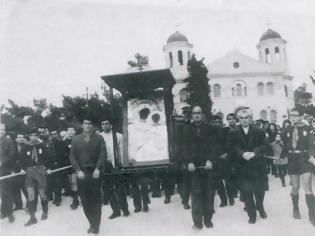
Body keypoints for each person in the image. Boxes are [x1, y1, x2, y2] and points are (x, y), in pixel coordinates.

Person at [70, 118, 107, 234]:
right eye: (85, 123)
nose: (88, 125)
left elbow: (103, 154)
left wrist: (98, 168)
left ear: (92, 126)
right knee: (85, 201)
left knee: (96, 200)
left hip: (95, 173)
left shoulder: (99, 138)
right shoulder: (76, 140)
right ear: (82, 125)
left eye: (90, 123)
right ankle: (92, 223)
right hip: (82, 174)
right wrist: (77, 170)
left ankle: (96, 226)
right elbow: (72, 157)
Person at [231, 107, 268, 224]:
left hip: (258, 166)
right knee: (246, 191)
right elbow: (231, 147)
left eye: (246, 117)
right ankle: (252, 214)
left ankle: (260, 207)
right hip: (242, 167)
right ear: (238, 119)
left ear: (250, 118)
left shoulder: (259, 131)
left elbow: (265, 145)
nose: (244, 120)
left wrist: (254, 153)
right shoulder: (234, 132)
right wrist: (242, 154)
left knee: (259, 190)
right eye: (241, 118)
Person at [182, 106, 216, 230]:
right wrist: (189, 162)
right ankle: (197, 222)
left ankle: (208, 219)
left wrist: (210, 160)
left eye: (199, 113)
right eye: (194, 113)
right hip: (193, 168)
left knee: (209, 193)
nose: (197, 115)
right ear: (191, 115)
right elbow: (183, 147)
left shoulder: (210, 129)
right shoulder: (186, 129)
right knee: (196, 194)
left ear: (202, 114)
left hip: (208, 166)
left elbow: (214, 146)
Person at [281, 108, 315, 227]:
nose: (292, 118)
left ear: (301, 116)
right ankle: (295, 208)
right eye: (291, 116)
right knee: (295, 187)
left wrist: (312, 156)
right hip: (293, 161)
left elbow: (311, 145)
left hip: (305, 159)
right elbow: (285, 145)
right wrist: (281, 156)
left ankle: (312, 214)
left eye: (295, 115)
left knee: (308, 187)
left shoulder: (308, 128)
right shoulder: (287, 129)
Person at [20, 129, 53, 226]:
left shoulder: (42, 145)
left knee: (42, 193)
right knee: (30, 194)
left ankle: (45, 211)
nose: (33, 137)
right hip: (29, 171)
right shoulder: (25, 146)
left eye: (35, 135)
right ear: (29, 136)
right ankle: (32, 217)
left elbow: (48, 157)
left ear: (37, 136)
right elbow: (21, 159)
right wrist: (22, 168)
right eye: (32, 135)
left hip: (40, 170)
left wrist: (49, 168)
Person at [100, 119, 130, 219]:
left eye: (106, 123)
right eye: (103, 124)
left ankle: (125, 209)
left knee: (120, 189)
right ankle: (115, 211)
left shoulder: (118, 136)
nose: (105, 126)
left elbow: (121, 151)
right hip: (105, 166)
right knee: (109, 190)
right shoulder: (99, 137)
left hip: (116, 165)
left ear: (111, 125)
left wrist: (122, 165)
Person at [0, 124, 16, 223]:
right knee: (2, 192)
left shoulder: (9, 141)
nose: (0, 132)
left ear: (4, 131)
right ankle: (3, 211)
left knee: (8, 191)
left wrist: (2, 162)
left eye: (1, 130)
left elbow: (12, 155)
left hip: (6, 169)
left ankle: (10, 213)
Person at [63, 126, 80, 210]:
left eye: (72, 130)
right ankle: (75, 199)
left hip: (79, 165)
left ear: (75, 131)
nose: (70, 131)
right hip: (69, 165)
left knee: (75, 182)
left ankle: (76, 200)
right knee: (72, 183)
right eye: (68, 130)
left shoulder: (79, 140)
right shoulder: (64, 142)